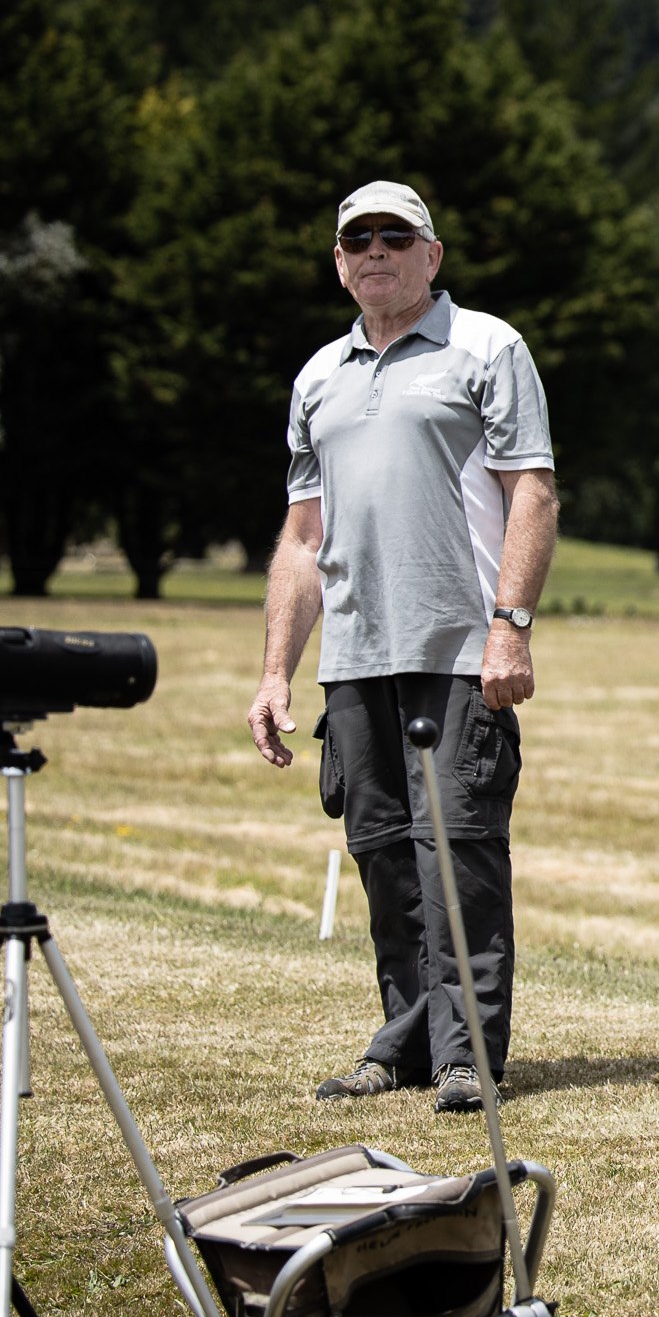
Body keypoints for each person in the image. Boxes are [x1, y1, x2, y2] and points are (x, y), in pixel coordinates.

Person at [247, 180, 558, 1115]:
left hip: (460, 650)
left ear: (432, 254)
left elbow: (533, 493)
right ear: (339, 262)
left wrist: (510, 626)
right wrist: (275, 670)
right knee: (382, 853)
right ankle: (408, 1039)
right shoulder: (318, 378)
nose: (376, 250)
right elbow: (303, 538)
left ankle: (468, 1055)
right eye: (358, 239)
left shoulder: (487, 348)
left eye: (395, 235)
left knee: (457, 852)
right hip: (353, 658)